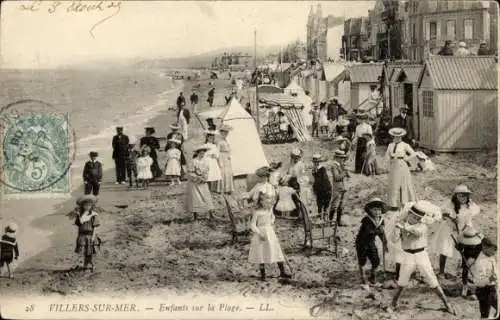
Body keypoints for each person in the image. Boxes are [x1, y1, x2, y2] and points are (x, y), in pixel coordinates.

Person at [389, 200, 455, 315]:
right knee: (402, 281)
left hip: (421, 255)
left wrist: (403, 227)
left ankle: (446, 303)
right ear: (409, 213)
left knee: (432, 279)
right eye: (413, 216)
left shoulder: (422, 225)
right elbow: (393, 240)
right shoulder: (402, 223)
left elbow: (417, 232)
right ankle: (394, 303)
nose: (415, 219)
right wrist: (396, 228)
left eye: (418, 218)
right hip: (407, 255)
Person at [242, 166, 291, 281]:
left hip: (268, 213)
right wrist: (245, 197)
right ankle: (263, 273)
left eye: (263, 177)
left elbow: (271, 201)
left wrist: (271, 215)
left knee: (275, 248)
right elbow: (250, 195)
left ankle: (282, 270)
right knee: (262, 250)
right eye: (260, 177)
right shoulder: (258, 186)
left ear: (267, 177)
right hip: (259, 214)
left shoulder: (270, 187)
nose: (261, 179)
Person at [432, 185, 481, 292]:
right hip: (449, 230)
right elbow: (441, 213)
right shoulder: (450, 204)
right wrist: (449, 217)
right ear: (456, 195)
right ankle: (441, 272)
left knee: (462, 251)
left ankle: (463, 272)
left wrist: (463, 228)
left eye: (465, 195)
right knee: (445, 250)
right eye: (460, 195)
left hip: (463, 229)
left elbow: (470, 219)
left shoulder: (470, 205)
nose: (463, 197)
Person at [356, 198, 388, 285]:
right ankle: (362, 277)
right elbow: (368, 231)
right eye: (375, 210)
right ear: (370, 210)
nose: (377, 212)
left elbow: (381, 233)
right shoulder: (367, 220)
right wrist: (379, 230)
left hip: (371, 242)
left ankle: (372, 277)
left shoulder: (381, 220)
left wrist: (385, 243)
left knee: (376, 260)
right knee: (362, 260)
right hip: (362, 243)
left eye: (379, 210)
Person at [385, 128, 416, 211]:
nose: (397, 138)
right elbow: (387, 155)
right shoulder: (390, 145)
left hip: (402, 165)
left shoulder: (405, 145)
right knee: (394, 184)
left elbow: (413, 154)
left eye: (399, 136)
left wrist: (407, 158)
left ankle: (405, 202)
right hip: (393, 165)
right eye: (395, 136)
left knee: (403, 183)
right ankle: (393, 204)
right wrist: (388, 162)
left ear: (401, 137)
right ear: (393, 136)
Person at [470, 237, 499, 319]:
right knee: (485, 315)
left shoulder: (490, 254)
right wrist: (489, 279)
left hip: (493, 289)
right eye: (493, 249)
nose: (495, 252)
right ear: (485, 247)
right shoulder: (480, 263)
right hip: (484, 292)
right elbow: (477, 282)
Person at [186, 144, 215, 220]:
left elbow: (207, 171)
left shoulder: (206, 161)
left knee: (206, 197)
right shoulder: (193, 161)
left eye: (204, 153)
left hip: (203, 181)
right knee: (195, 198)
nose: (202, 154)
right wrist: (197, 177)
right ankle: (195, 215)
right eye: (201, 153)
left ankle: (210, 214)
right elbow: (190, 172)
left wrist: (204, 178)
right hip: (194, 183)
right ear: (197, 153)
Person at [74, 195, 100, 272]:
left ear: (92, 206)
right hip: (82, 235)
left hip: (90, 235)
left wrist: (93, 236)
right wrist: (78, 216)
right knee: (85, 251)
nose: (87, 206)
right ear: (83, 206)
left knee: (90, 251)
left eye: (89, 205)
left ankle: (90, 264)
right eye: (85, 205)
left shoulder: (94, 215)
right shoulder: (81, 215)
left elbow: (95, 227)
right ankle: (86, 264)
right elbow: (78, 224)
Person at [329, 150, 349, 226]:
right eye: (341, 158)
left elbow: (348, 176)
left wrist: (346, 171)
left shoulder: (341, 165)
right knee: (334, 205)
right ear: (336, 158)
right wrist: (344, 172)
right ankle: (330, 221)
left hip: (343, 187)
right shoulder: (334, 166)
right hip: (337, 188)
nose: (342, 159)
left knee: (341, 205)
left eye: (343, 158)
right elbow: (336, 177)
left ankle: (338, 221)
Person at [311, 154, 331, 219]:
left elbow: (322, 180)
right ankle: (320, 217)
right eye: (314, 162)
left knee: (325, 205)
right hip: (319, 189)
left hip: (325, 189)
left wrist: (315, 186)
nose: (316, 163)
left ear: (319, 162)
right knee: (319, 205)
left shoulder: (322, 169)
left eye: (317, 162)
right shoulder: (314, 169)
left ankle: (325, 218)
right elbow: (315, 179)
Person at [216, 124, 234, 194]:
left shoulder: (225, 140)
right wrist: (219, 161)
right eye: (224, 132)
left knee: (228, 172)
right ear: (221, 132)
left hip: (227, 158)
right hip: (222, 157)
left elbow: (229, 149)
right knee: (223, 172)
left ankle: (228, 188)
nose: (226, 134)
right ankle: (222, 188)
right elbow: (217, 152)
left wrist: (229, 155)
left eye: (227, 132)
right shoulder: (219, 141)